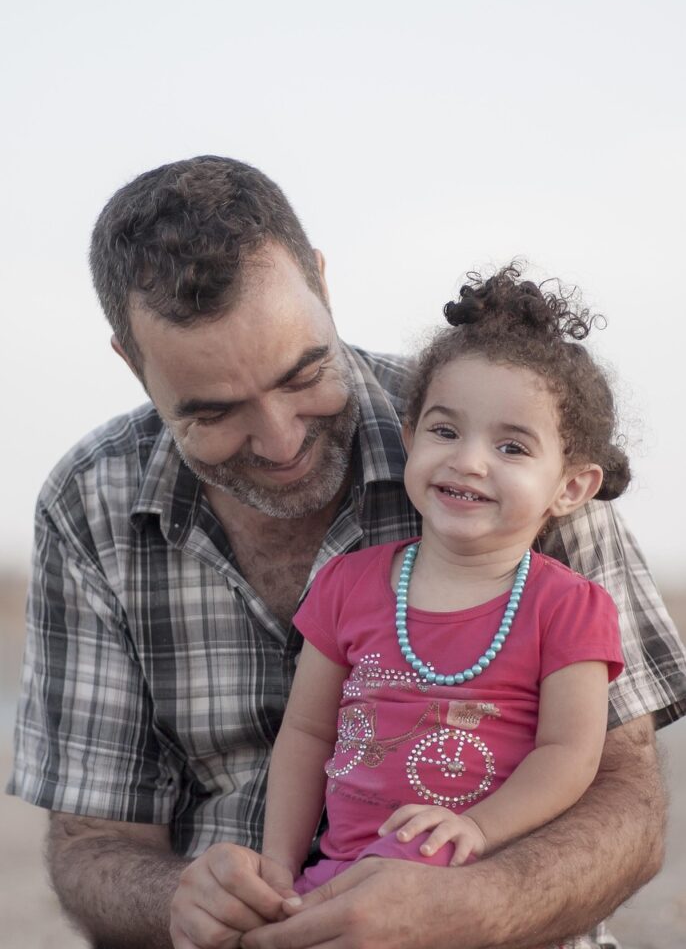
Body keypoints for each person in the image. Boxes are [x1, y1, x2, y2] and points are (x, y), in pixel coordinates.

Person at [6, 155, 685, 949]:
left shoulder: (504, 421)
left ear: (321, 284)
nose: (282, 440)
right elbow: (92, 842)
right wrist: (186, 902)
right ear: (131, 362)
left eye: (303, 374)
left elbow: (623, 795)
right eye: (213, 412)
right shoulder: (90, 502)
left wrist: (469, 906)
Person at [261, 269, 626, 901]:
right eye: (446, 431)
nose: (469, 460)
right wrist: (276, 866)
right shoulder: (348, 583)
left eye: (512, 447)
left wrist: (475, 829)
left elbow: (569, 755)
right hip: (336, 882)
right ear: (410, 439)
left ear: (570, 487)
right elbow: (307, 733)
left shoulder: (568, 608)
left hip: (467, 887)